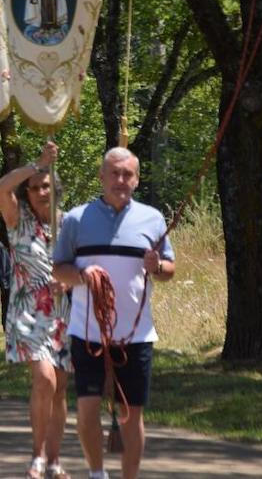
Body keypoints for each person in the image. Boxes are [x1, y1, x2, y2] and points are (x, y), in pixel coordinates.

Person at [52, 147, 175, 479]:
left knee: (131, 415)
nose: (121, 180)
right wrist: (82, 276)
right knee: (87, 408)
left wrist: (158, 265)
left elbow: (168, 269)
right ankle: (97, 474)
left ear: (136, 179)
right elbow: (58, 269)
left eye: (128, 174)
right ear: (101, 177)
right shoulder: (77, 219)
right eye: (115, 173)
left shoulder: (152, 218)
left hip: (136, 335)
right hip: (87, 332)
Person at [0, 141, 72, 479]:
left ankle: (55, 459)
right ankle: (37, 455)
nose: (41, 191)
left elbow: (85, 268)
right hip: (28, 313)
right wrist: (38, 163)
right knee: (44, 379)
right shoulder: (18, 222)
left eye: (45, 185)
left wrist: (69, 283)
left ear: (55, 188)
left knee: (59, 387)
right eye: (34, 187)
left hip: (64, 315)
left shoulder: (69, 225)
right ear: (27, 193)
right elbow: (2, 187)